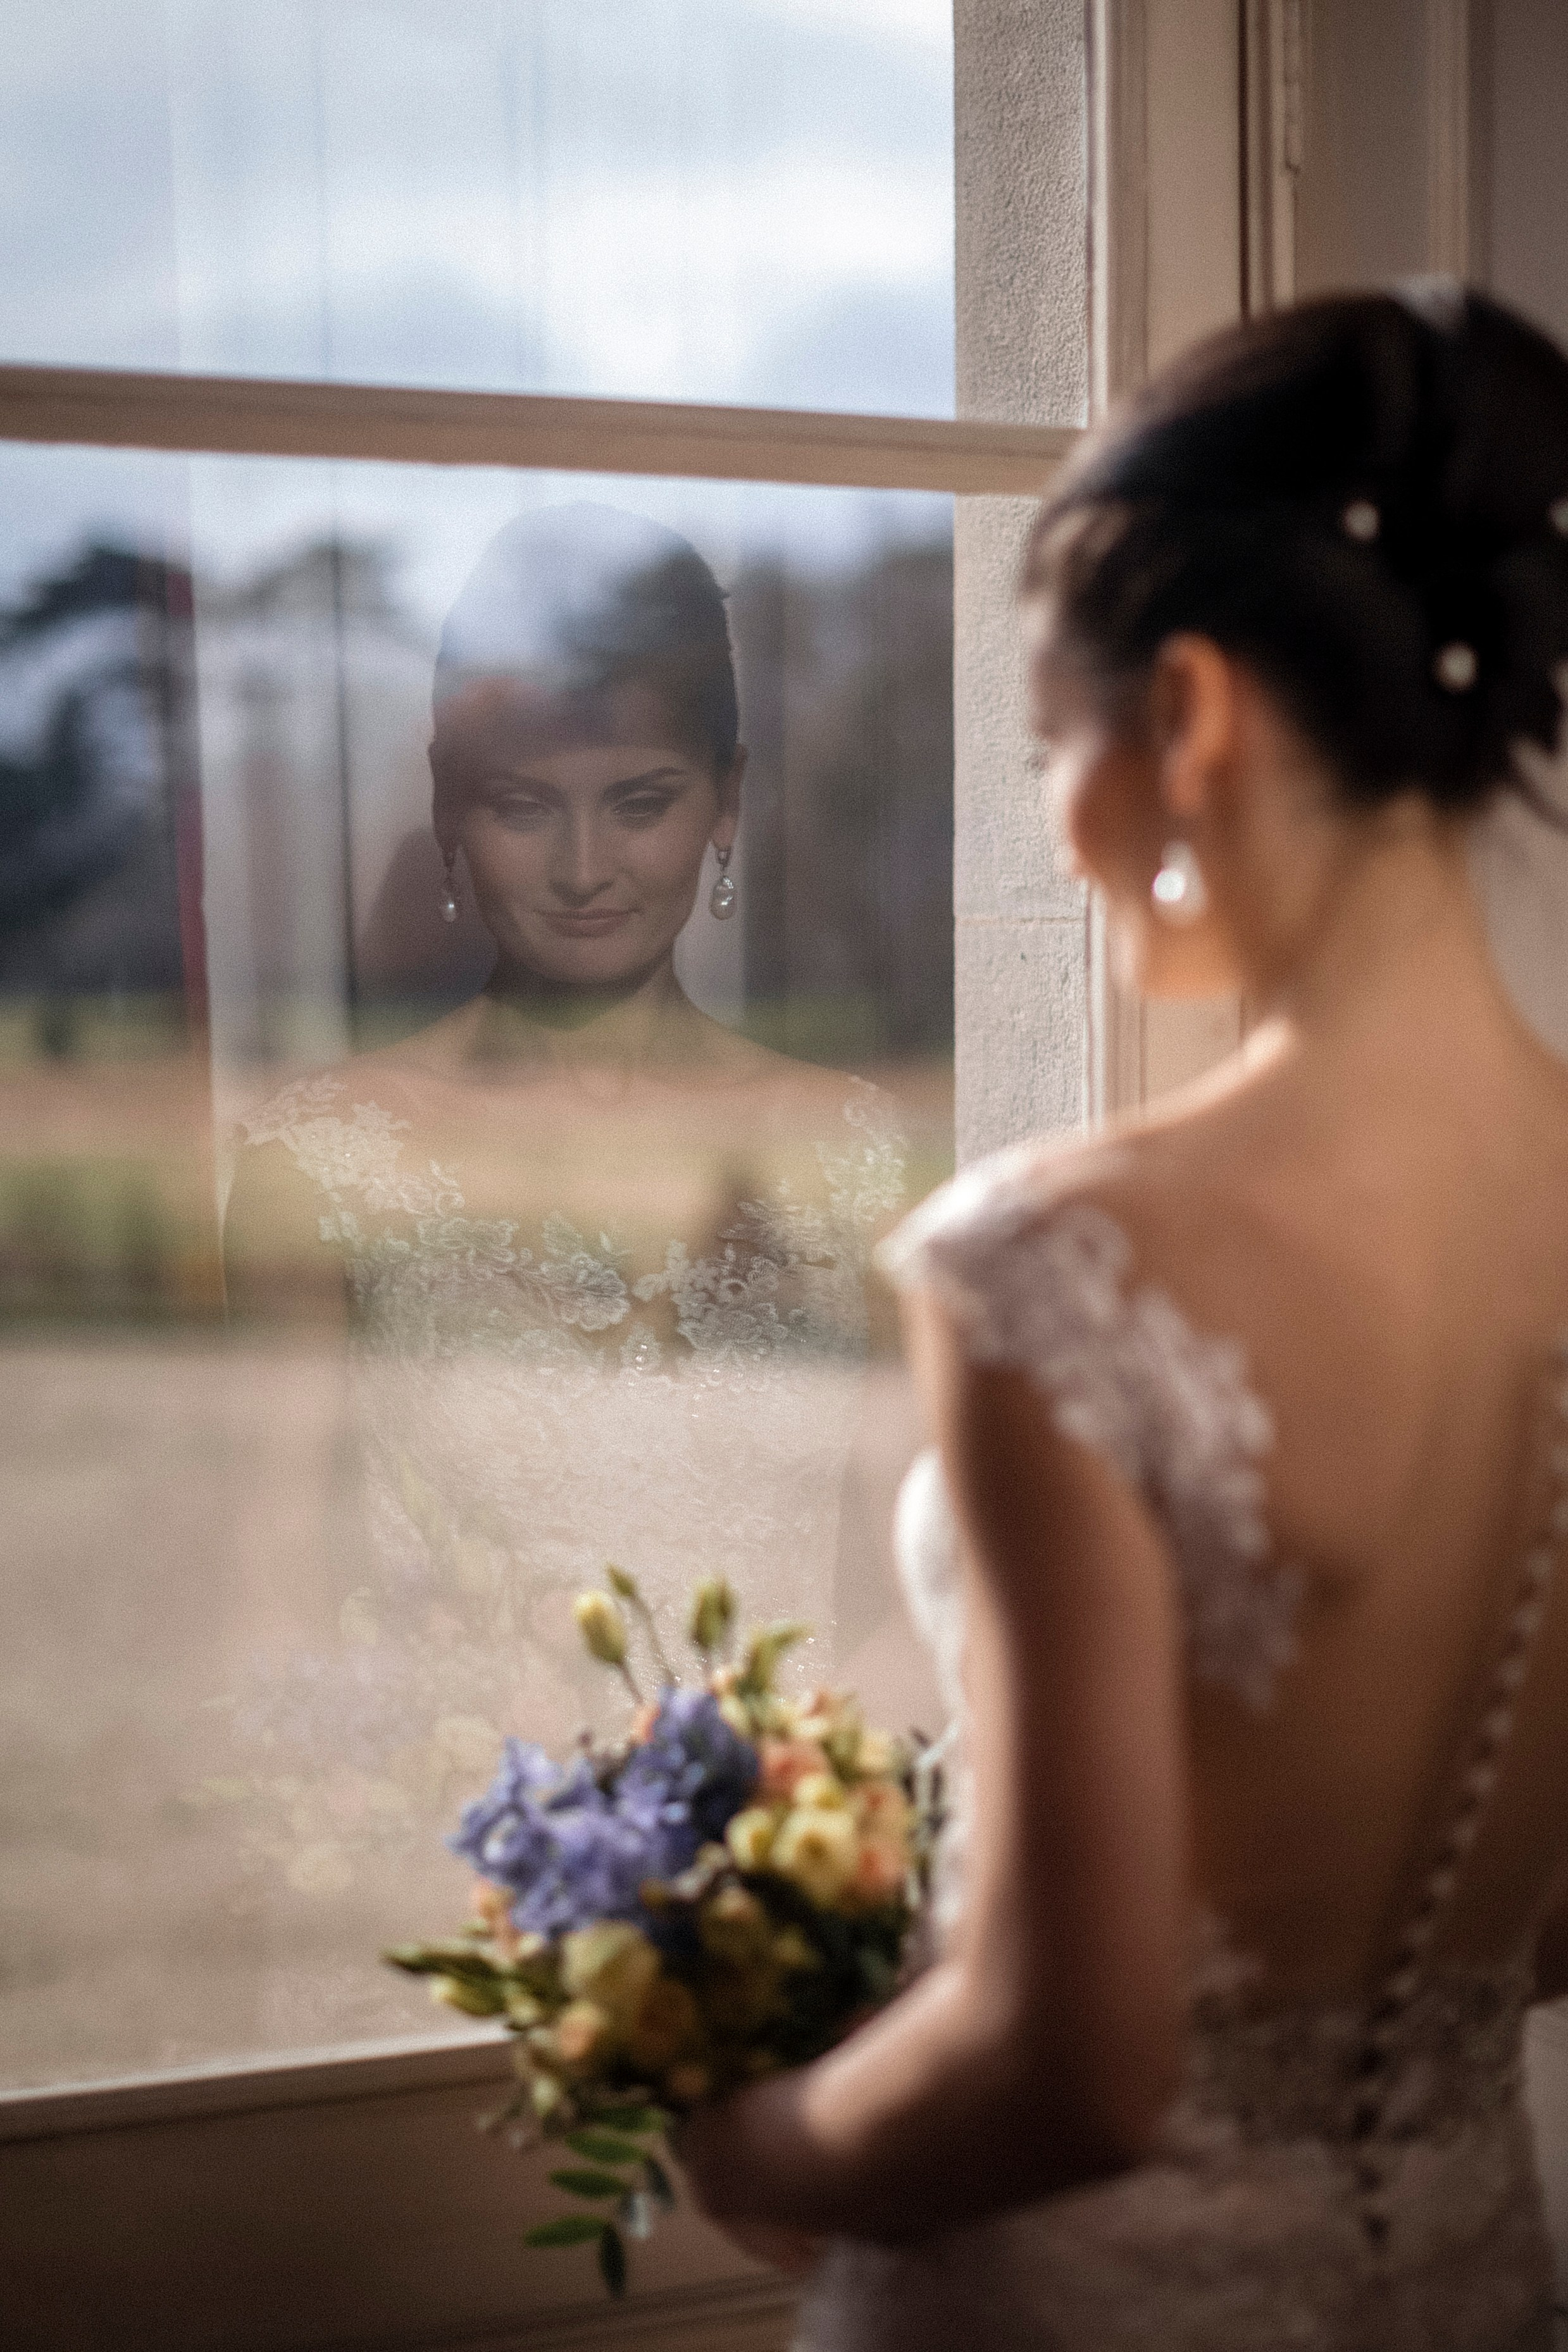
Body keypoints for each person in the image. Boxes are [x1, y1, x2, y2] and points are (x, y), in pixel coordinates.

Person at [677, 285, 1568, 2349]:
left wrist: (750, 2135)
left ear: (1184, 713)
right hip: (1477, 2278)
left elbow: (1066, 2058)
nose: (1056, 828)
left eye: (1042, 742)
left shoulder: (1051, 1265)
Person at [220, 506, 903, 1942]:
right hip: (446, 1893)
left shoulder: (851, 1151)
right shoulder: (323, 1156)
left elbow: (908, 1571)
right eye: (526, 804)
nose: (587, 863)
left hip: (786, 1903)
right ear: (448, 804)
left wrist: (810, 1854)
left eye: (641, 799)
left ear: (728, 798)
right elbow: (273, 1585)